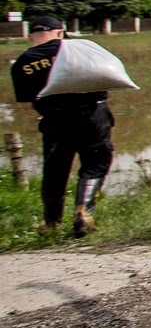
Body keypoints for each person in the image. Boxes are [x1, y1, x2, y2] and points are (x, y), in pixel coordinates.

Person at [9, 15, 114, 238]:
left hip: (55, 120)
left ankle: (51, 222)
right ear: (60, 32)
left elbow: (28, 104)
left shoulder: (22, 63)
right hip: (94, 114)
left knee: (55, 169)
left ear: (31, 36)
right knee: (95, 163)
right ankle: (84, 214)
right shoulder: (78, 50)